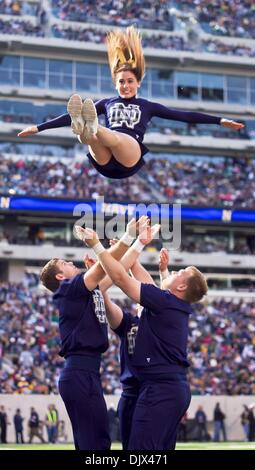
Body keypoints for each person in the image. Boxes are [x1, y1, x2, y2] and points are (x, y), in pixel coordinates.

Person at [18, 26, 244, 180]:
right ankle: (84, 130)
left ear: (138, 83)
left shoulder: (147, 106)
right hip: (105, 163)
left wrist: (220, 120)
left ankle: (90, 127)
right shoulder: (107, 102)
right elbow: (66, 116)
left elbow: (184, 115)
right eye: (121, 82)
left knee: (111, 135)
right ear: (115, 84)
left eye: (129, 81)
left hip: (128, 154)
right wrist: (39, 128)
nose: (125, 85)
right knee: (90, 137)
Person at [80, 226, 208, 450]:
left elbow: (120, 277)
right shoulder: (169, 304)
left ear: (180, 286)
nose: (172, 272)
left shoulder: (167, 302)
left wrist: (98, 247)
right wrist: (130, 252)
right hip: (163, 386)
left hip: (161, 387)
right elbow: (145, 284)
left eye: (178, 273)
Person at [39, 217, 149, 450]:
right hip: (79, 372)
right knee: (94, 444)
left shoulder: (85, 290)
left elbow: (116, 270)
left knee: (98, 440)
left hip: (87, 372)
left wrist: (138, 243)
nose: (71, 262)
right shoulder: (70, 289)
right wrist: (127, 236)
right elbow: (102, 266)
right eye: (65, 263)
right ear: (60, 276)